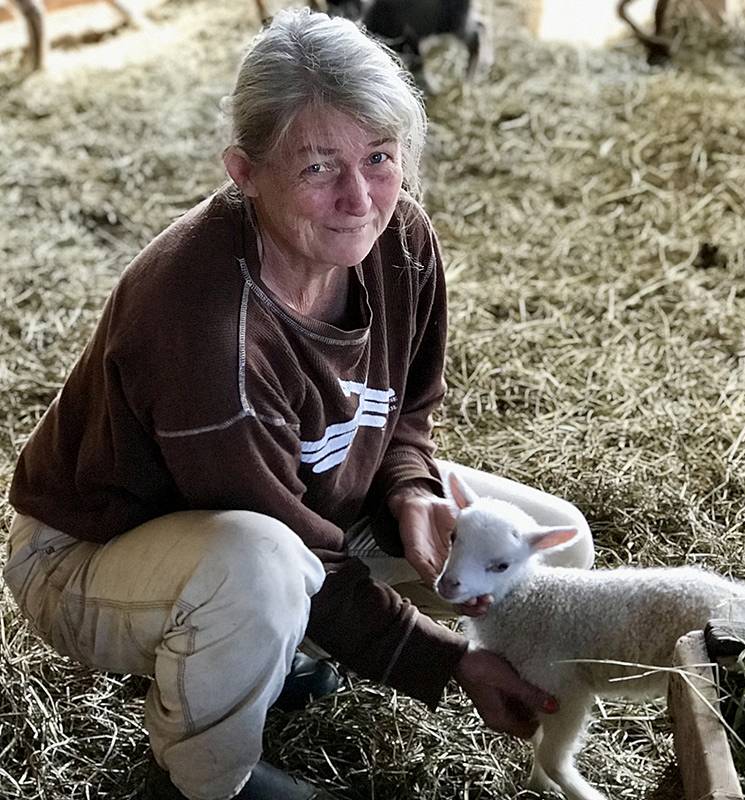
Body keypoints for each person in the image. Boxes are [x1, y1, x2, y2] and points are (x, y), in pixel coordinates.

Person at [3, 9, 594, 800]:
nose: (359, 198)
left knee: (557, 541)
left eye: (380, 157)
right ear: (244, 171)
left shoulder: (400, 242)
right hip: (98, 551)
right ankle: (206, 776)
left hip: (290, 503)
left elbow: (408, 406)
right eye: (318, 167)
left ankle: (281, 657)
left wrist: (412, 487)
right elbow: (291, 543)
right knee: (260, 572)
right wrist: (447, 659)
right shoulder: (203, 325)